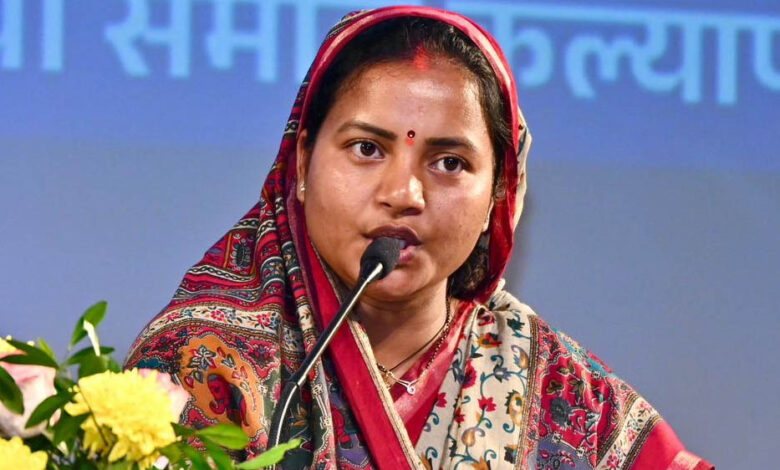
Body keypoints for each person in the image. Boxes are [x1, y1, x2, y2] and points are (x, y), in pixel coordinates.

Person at [125, 6, 712, 470]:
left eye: (449, 163)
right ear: (301, 163)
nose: (404, 192)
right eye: (366, 149)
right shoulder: (201, 367)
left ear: (498, 194)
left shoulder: (561, 394)